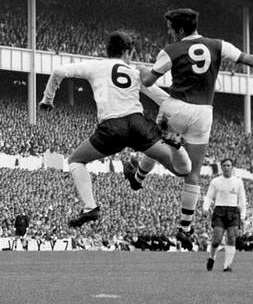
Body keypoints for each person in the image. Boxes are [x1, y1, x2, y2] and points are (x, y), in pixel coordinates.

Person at [136, 9, 253, 248]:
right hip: (202, 113)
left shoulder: (170, 50)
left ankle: (139, 176)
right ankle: (185, 227)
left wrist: (141, 71)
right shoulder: (218, 45)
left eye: (170, 28)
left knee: (154, 142)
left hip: (175, 107)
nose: (168, 31)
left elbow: (148, 81)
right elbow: (252, 60)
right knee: (194, 172)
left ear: (179, 30)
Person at [38, 31, 191, 227]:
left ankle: (90, 207)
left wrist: (47, 99)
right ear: (127, 52)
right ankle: (174, 149)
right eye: (132, 53)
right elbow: (163, 99)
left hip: (112, 128)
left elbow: (59, 71)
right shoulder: (135, 73)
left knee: (75, 160)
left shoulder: (96, 66)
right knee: (182, 169)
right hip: (139, 125)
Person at [203, 158, 246, 272]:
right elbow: (209, 196)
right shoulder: (215, 181)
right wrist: (205, 208)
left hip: (233, 211)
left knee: (232, 238)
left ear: (232, 167)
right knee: (217, 239)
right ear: (221, 167)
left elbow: (242, 200)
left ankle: (227, 266)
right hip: (219, 210)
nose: (227, 167)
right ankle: (212, 257)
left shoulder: (238, 182)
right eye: (224, 165)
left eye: (229, 165)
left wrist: (242, 216)